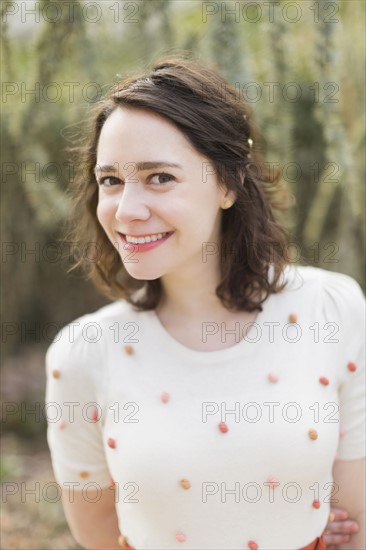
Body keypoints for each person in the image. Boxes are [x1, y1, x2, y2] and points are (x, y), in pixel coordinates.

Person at [45, 57, 365, 550]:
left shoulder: (332, 310)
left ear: (228, 183)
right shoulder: (83, 352)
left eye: (159, 177)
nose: (127, 210)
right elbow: (99, 534)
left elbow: (353, 518)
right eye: (110, 180)